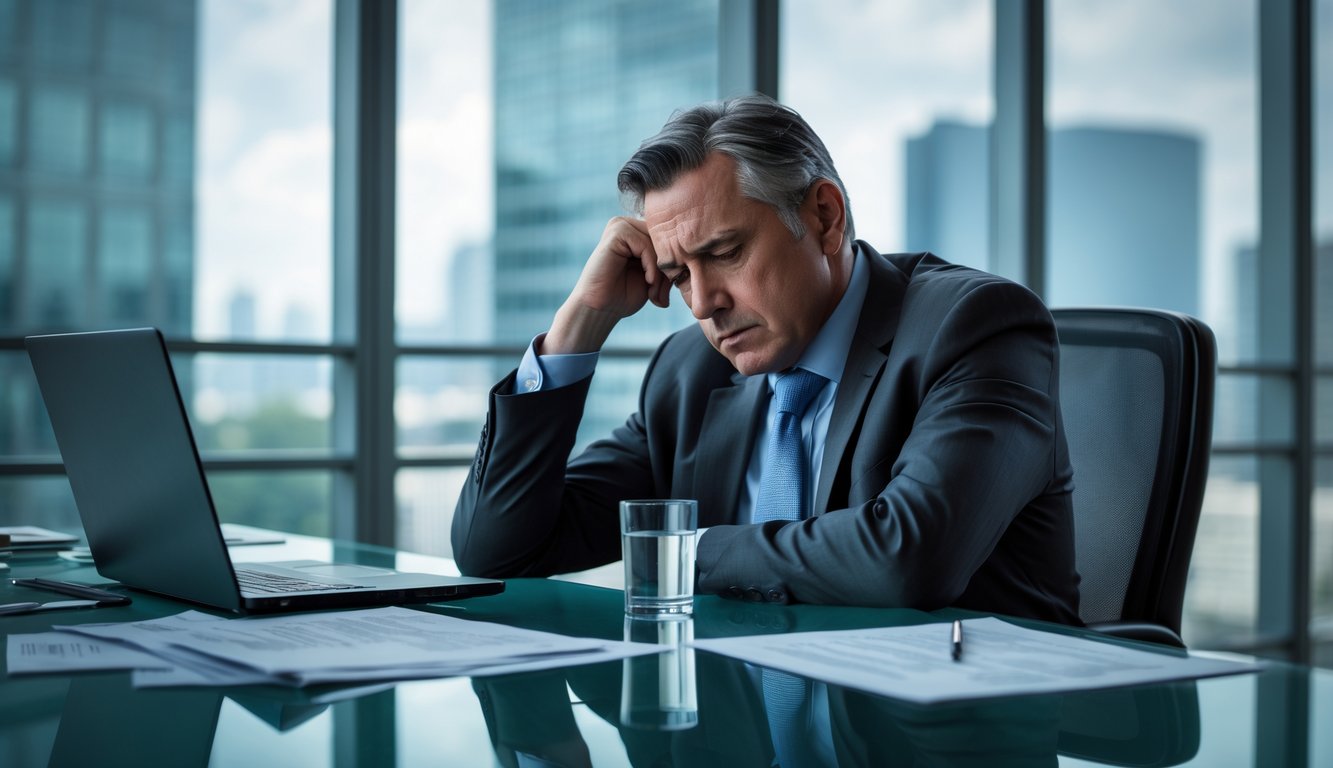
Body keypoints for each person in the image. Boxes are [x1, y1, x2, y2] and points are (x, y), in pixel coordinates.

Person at [452, 94, 1080, 624]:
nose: (703, 303)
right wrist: (577, 326)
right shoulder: (688, 373)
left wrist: (684, 554)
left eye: (725, 253)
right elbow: (498, 551)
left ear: (825, 219)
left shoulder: (974, 326)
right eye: (677, 273)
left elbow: (909, 558)